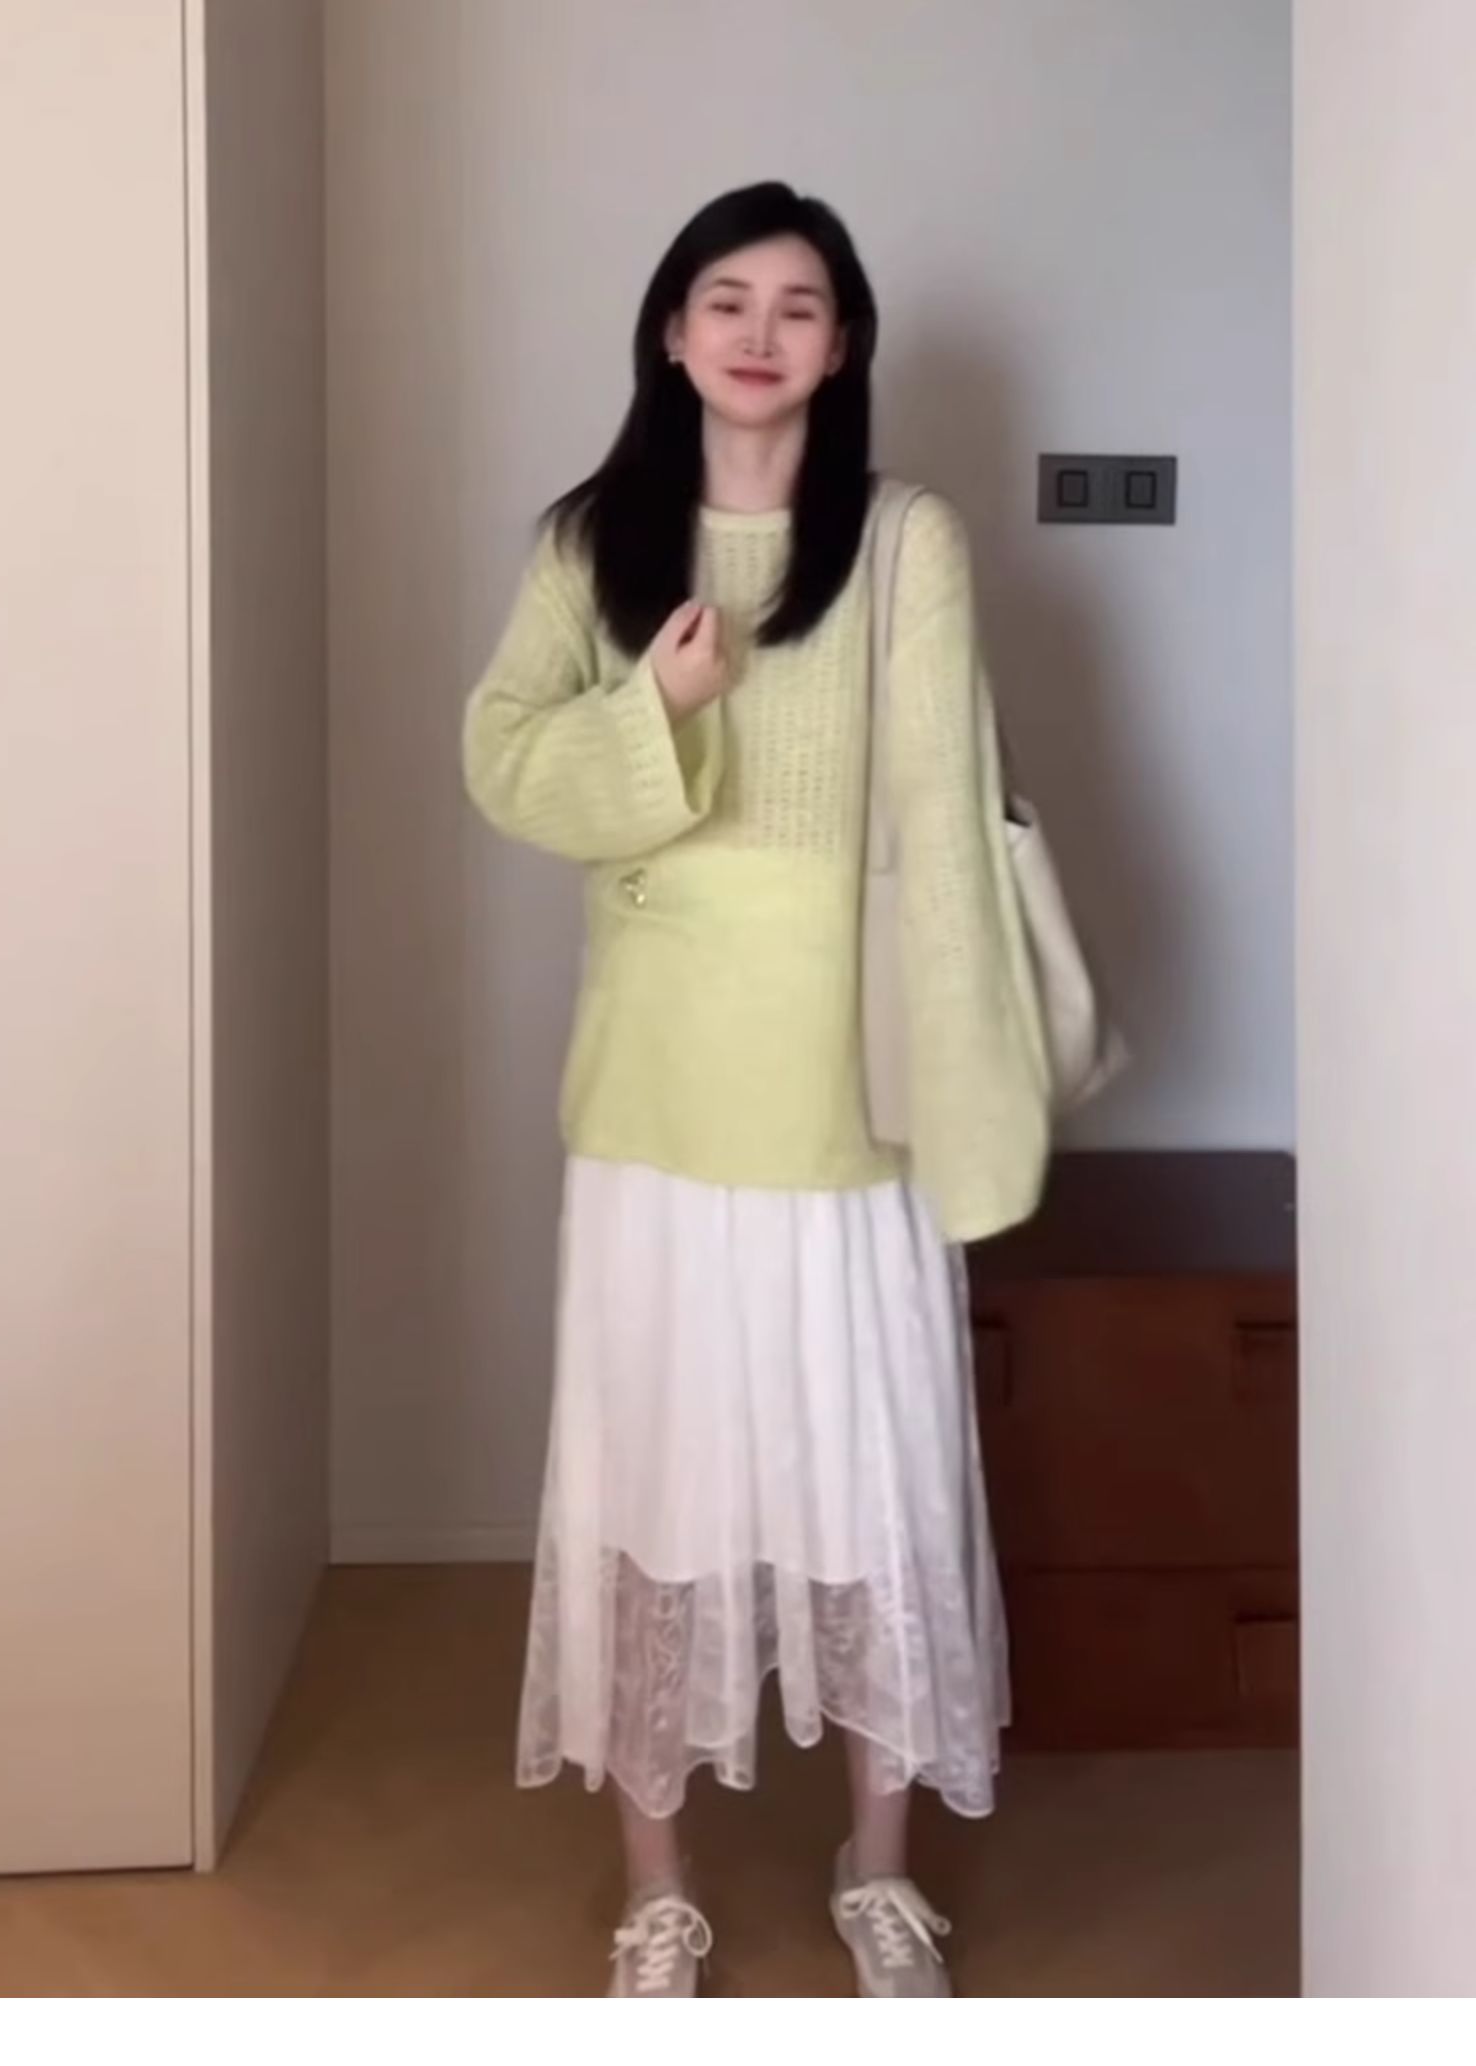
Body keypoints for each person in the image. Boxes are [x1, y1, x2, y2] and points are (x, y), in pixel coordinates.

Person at [462, 180, 1050, 1998]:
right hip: (657, 1090)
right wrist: (655, 705)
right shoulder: (594, 541)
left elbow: (943, 823)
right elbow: (504, 765)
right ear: (671, 327)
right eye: (726, 298)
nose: (759, 332)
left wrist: (962, 1100)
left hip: (849, 1092)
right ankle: (658, 1888)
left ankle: (881, 1871)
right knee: (652, 1486)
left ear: (843, 342)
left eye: (800, 305)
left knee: (875, 1492)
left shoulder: (905, 537)